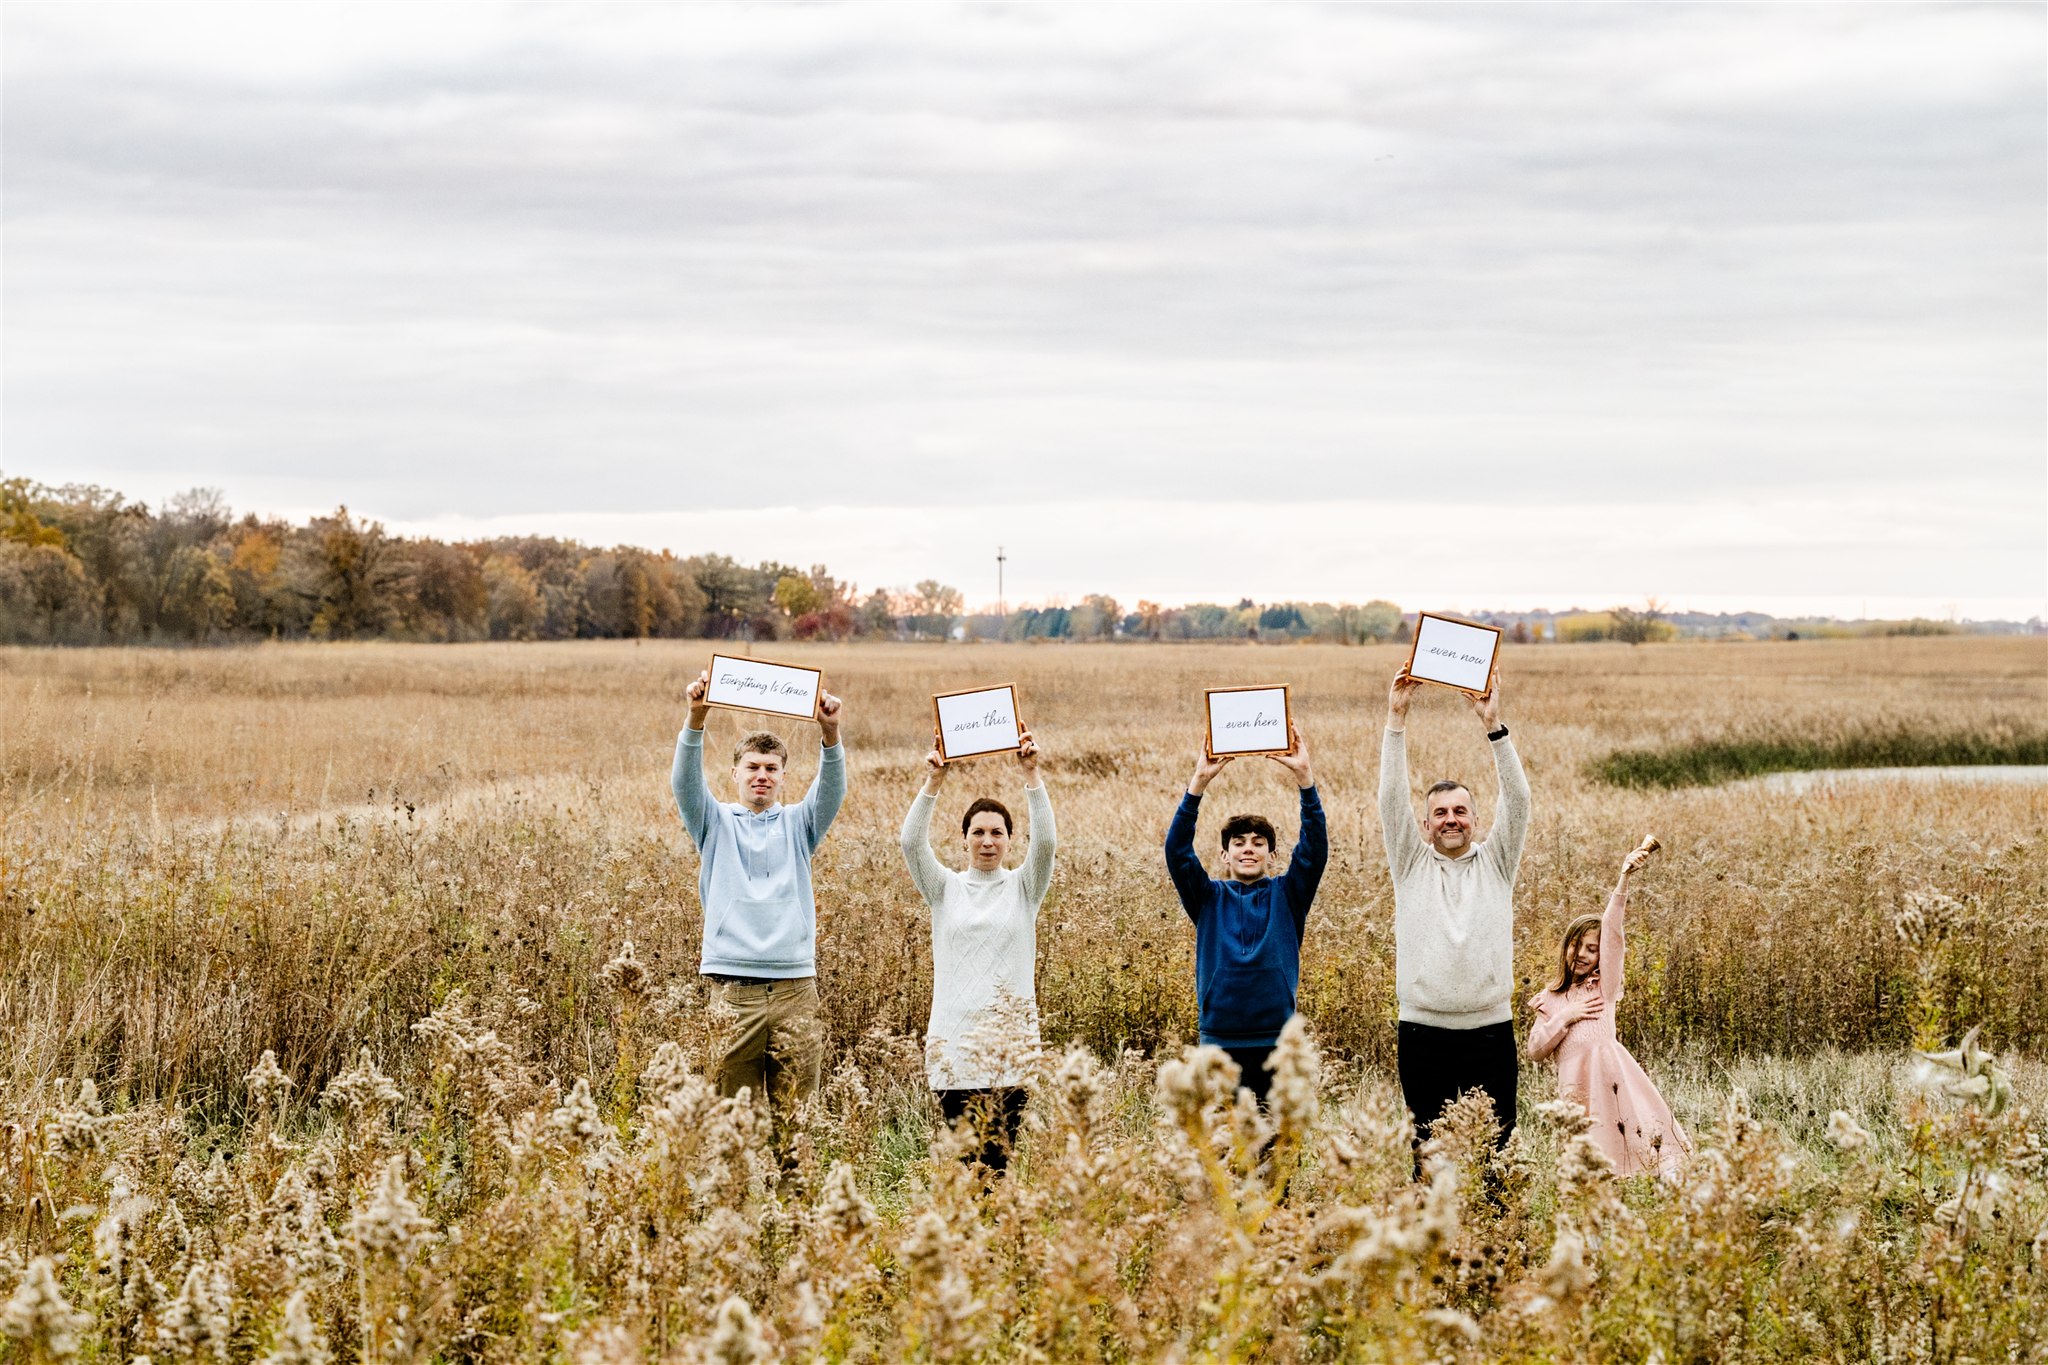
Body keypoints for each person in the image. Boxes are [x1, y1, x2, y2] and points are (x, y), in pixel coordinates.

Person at [671, 668, 846, 1141]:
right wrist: (696, 718)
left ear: (784, 776)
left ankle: (795, 1215)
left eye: (771, 769)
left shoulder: (799, 825)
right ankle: (739, 1214)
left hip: (794, 991)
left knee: (797, 1127)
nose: (762, 776)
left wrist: (829, 734)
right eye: (752, 767)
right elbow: (684, 783)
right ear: (735, 773)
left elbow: (832, 792)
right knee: (733, 1129)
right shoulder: (712, 823)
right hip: (733, 993)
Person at [1381, 671, 1530, 1157]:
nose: (1451, 820)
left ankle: (1495, 1234)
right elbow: (1389, 800)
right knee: (1428, 1154)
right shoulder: (1409, 863)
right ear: (1424, 825)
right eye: (1441, 813)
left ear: (1475, 819)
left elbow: (1520, 800)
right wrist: (1396, 717)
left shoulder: (1497, 862)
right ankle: (1433, 1234)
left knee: (1496, 1151)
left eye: (1460, 811)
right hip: (1423, 1033)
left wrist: (1494, 725)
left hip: (1490, 1033)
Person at [899, 727, 1056, 1174]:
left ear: (1009, 840)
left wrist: (1032, 774)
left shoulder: (1025, 887)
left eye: (997, 833)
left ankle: (997, 1243)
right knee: (967, 1165)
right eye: (978, 832)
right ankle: (968, 1241)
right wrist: (934, 781)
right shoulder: (943, 888)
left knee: (999, 1163)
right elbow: (910, 843)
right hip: (955, 1047)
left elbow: (1046, 843)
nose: (988, 841)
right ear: (964, 838)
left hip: (1011, 1047)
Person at [1164, 722, 1326, 1105]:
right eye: (1238, 843)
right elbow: (1176, 851)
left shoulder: (1288, 895)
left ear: (1272, 855)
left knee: (1276, 1152)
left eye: (1258, 843)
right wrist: (1198, 783)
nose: (1248, 849)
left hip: (1279, 1042)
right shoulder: (1206, 897)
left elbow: (1314, 849)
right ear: (1224, 855)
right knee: (1224, 1150)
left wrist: (1305, 779)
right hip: (1219, 1040)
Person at [1526, 844, 1690, 1179]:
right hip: (1579, 1095)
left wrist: (1624, 879)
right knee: (1591, 1168)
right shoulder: (1550, 999)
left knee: (1643, 1150)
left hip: (1616, 1087)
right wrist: (1567, 1016)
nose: (1584, 954)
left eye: (1593, 949)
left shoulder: (1604, 988)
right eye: (1578, 946)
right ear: (1566, 947)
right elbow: (1535, 1051)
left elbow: (1614, 932)